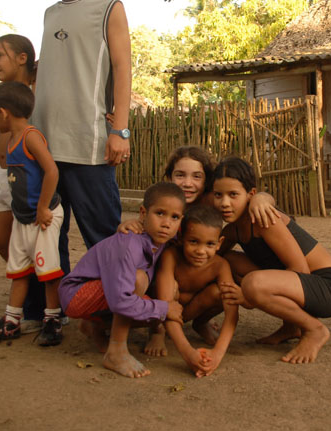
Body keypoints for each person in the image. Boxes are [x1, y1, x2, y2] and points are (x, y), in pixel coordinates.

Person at [31, 0, 132, 295]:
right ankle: (49, 314)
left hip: (87, 145)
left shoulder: (108, 6)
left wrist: (120, 130)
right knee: (47, 237)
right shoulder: (49, 14)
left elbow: (123, 69)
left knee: (104, 239)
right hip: (44, 148)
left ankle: (119, 314)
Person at [116, 145, 278, 356]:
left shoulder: (214, 200)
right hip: (164, 270)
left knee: (225, 277)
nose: (188, 183)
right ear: (169, 176)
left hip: (194, 264)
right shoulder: (166, 199)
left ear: (207, 181)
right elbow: (146, 218)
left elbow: (247, 196)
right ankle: (157, 331)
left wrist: (262, 198)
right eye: (180, 175)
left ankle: (201, 322)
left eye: (197, 176)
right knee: (166, 282)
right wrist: (128, 224)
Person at [215, 157, 331, 364]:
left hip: (327, 287)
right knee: (227, 259)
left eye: (233, 195)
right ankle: (291, 327)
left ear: (250, 194)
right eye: (218, 195)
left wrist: (248, 297)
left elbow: (301, 269)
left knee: (254, 284)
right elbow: (209, 259)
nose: (224, 203)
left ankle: (314, 329)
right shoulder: (232, 231)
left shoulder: (264, 219)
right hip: (302, 285)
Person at [58, 182, 186, 378]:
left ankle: (95, 325)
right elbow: (120, 300)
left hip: (105, 294)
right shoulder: (130, 244)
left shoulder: (161, 240)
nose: (166, 223)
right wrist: (164, 308)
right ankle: (116, 351)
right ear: (143, 213)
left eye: (174, 217)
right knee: (138, 281)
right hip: (77, 294)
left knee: (158, 299)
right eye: (159, 213)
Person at [0, 81, 65, 346]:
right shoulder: (13, 140)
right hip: (24, 218)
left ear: (3, 113)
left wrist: (42, 208)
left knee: (48, 271)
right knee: (19, 271)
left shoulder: (30, 136)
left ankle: (53, 321)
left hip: (43, 216)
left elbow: (52, 171)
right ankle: (11, 321)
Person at [0, 35, 50, 335]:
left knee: (33, 245)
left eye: (0, 55)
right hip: (4, 176)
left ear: (22, 59)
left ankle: (41, 303)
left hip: (29, 179)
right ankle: (31, 284)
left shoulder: (37, 92)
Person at [153, 204, 238, 377]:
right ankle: (156, 331)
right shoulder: (171, 256)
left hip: (187, 312)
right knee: (169, 291)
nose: (200, 251)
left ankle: (200, 324)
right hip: (162, 313)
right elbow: (165, 305)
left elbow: (232, 311)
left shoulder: (220, 266)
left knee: (221, 293)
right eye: (193, 242)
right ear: (181, 237)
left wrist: (217, 353)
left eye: (210, 244)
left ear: (219, 243)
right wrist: (188, 354)